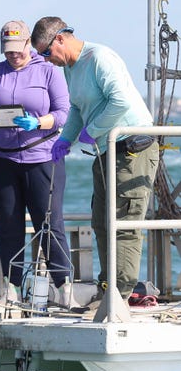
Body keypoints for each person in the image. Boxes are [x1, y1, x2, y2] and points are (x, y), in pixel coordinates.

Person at [31, 16, 159, 305]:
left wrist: (94, 130)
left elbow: (121, 101)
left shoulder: (100, 57)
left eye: (46, 53)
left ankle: (120, 294)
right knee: (101, 222)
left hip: (132, 148)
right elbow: (76, 108)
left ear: (60, 38)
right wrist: (67, 138)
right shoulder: (70, 69)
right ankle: (108, 289)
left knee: (123, 222)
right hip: (106, 151)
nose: (46, 60)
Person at [0, 20, 74, 307]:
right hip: (0, 159)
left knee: (49, 223)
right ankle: (12, 288)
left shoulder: (49, 71)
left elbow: (64, 112)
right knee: (8, 226)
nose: (13, 55)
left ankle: (64, 287)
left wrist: (39, 122)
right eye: (8, 51)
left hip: (41, 158)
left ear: (29, 43)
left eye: (17, 50)